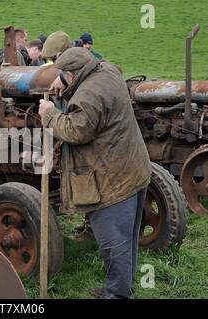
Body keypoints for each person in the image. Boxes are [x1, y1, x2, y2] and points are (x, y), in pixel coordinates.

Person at [39, 47, 152, 299]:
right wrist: (64, 80)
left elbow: (76, 131)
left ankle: (119, 296)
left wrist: (49, 114)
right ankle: (119, 289)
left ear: (72, 74)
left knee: (115, 246)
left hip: (111, 180)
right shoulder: (108, 70)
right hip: (132, 167)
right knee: (127, 241)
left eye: (64, 75)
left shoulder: (89, 94)